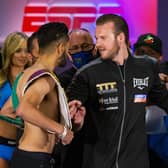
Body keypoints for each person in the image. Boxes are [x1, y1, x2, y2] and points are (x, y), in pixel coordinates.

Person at [67, 14, 168, 168]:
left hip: (136, 162)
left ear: (120, 38)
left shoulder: (148, 67)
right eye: (97, 38)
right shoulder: (86, 74)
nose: (98, 44)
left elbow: (164, 100)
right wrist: (75, 123)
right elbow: (70, 116)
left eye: (103, 38)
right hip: (98, 162)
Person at [9, 22, 74, 168]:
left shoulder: (26, 74)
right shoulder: (45, 78)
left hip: (27, 156)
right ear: (60, 48)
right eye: (68, 48)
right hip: (36, 159)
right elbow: (23, 109)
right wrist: (61, 130)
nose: (69, 53)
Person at [134, 34, 168, 167]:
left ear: (160, 58)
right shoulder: (121, 73)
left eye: (151, 54)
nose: (145, 57)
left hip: (160, 148)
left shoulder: (164, 75)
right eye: (141, 52)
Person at [0, 32, 28, 168]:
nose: (23, 55)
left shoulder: (34, 80)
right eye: (18, 51)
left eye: (26, 51)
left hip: (25, 149)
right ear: (9, 52)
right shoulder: (0, 81)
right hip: (1, 147)